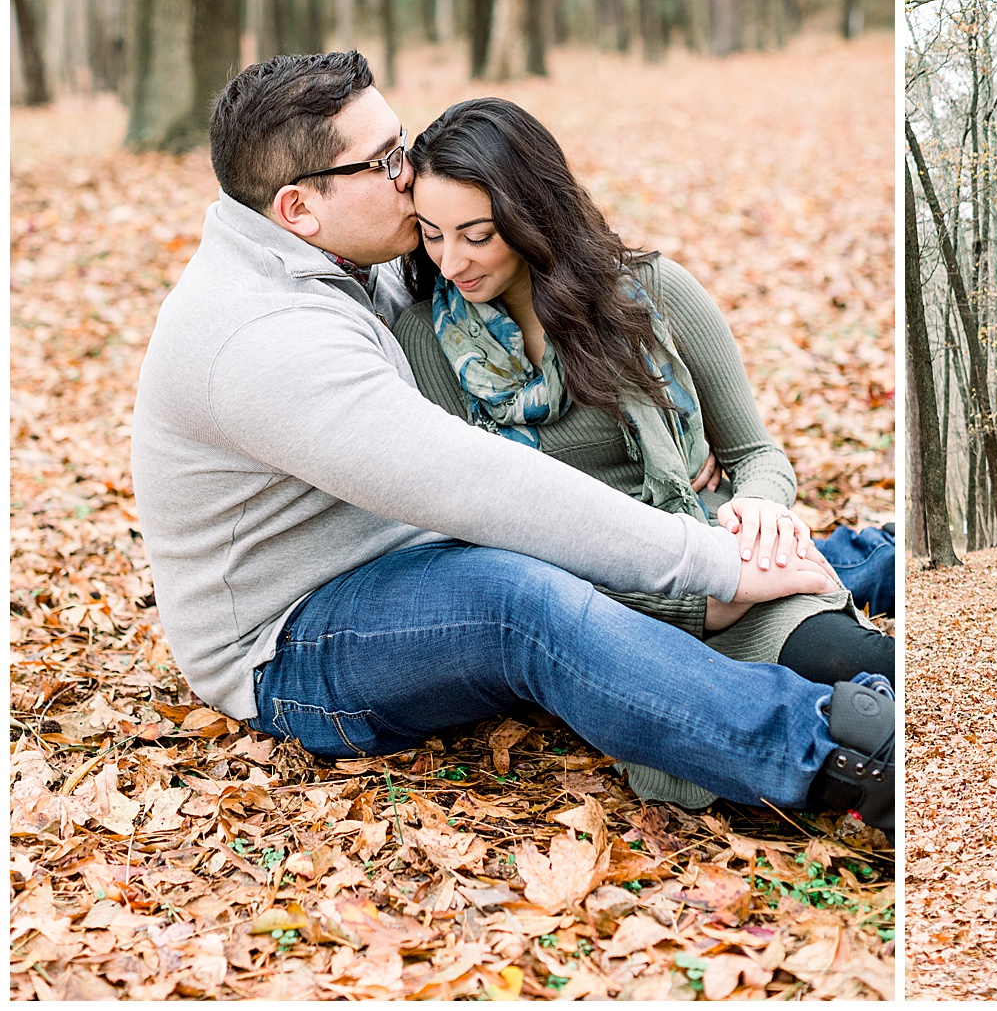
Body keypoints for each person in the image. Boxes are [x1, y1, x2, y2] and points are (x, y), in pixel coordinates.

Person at [130, 51, 894, 834]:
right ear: (298, 209)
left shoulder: (339, 262)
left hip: (399, 557)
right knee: (515, 604)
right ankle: (837, 756)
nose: (409, 173)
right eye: (387, 161)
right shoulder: (265, 340)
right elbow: (477, 485)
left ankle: (875, 559)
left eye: (404, 142)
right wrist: (713, 568)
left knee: (574, 562)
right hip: (289, 644)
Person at [390, 97, 894, 808]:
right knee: (793, 759)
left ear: (533, 214)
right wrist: (694, 611)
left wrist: (758, 507)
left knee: (860, 665)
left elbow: (754, 453)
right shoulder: (428, 343)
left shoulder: (649, 293)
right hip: (608, 619)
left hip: (722, 561)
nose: (451, 261)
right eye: (432, 235)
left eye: (477, 234)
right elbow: (493, 546)